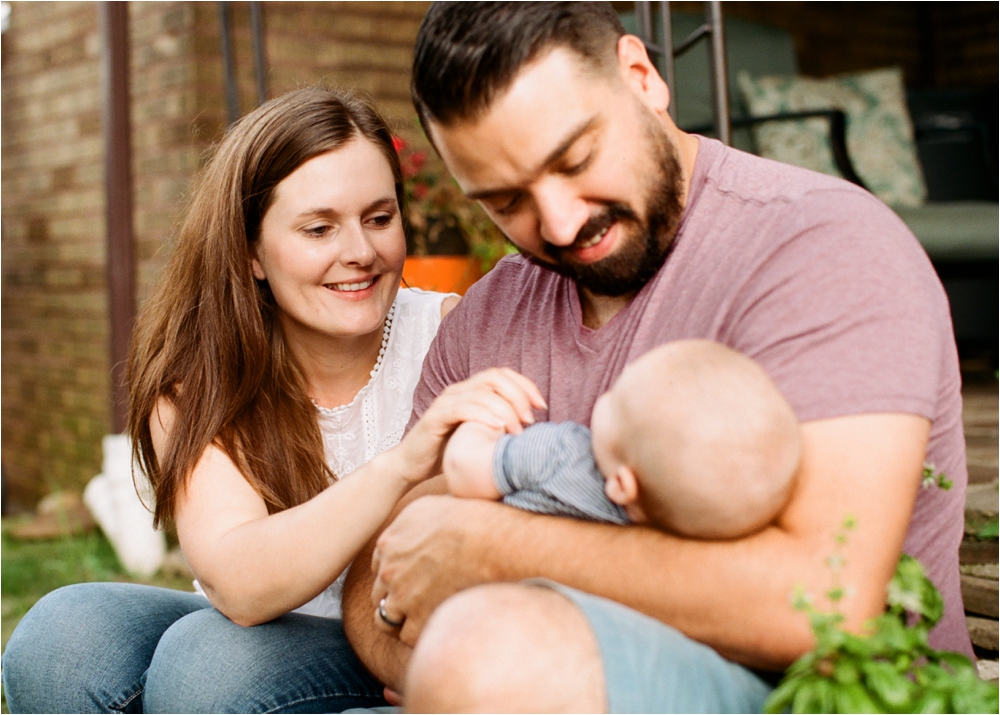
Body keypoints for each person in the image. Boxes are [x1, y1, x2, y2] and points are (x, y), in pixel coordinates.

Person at [337, 3, 973, 712]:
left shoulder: (822, 248)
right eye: (505, 200)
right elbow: (378, 569)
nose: (559, 223)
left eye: (575, 160)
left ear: (642, 77)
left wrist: (492, 551)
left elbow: (819, 599)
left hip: (817, 693)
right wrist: (432, 665)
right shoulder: (486, 316)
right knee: (219, 662)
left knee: (496, 655)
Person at [1, 86, 545, 713]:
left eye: (379, 218)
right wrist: (400, 464)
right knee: (62, 638)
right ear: (252, 251)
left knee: (211, 667)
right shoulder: (200, 383)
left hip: (394, 633)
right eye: (319, 228)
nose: (360, 253)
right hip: (252, 627)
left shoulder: (453, 335)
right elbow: (240, 584)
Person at [443, 339, 800, 539]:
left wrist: (484, 419)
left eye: (619, 398)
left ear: (622, 485)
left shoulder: (564, 454)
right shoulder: (687, 522)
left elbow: (463, 470)